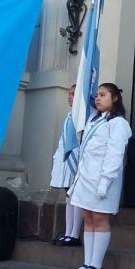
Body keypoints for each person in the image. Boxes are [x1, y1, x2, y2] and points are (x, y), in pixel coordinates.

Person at [67, 83, 131, 269]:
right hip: (87, 177)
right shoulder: (94, 120)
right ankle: (87, 263)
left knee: (100, 219)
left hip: (103, 179)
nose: (98, 98)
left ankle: (96, 265)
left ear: (115, 98)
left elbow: (114, 154)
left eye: (103, 95)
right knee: (88, 218)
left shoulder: (118, 123)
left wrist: (105, 181)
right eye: (97, 95)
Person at [50, 84, 83, 247]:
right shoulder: (69, 115)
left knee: (75, 197)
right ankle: (68, 232)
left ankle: (75, 233)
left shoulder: (82, 116)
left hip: (76, 161)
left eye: (73, 94)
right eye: (69, 94)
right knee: (68, 197)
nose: (69, 97)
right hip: (65, 161)